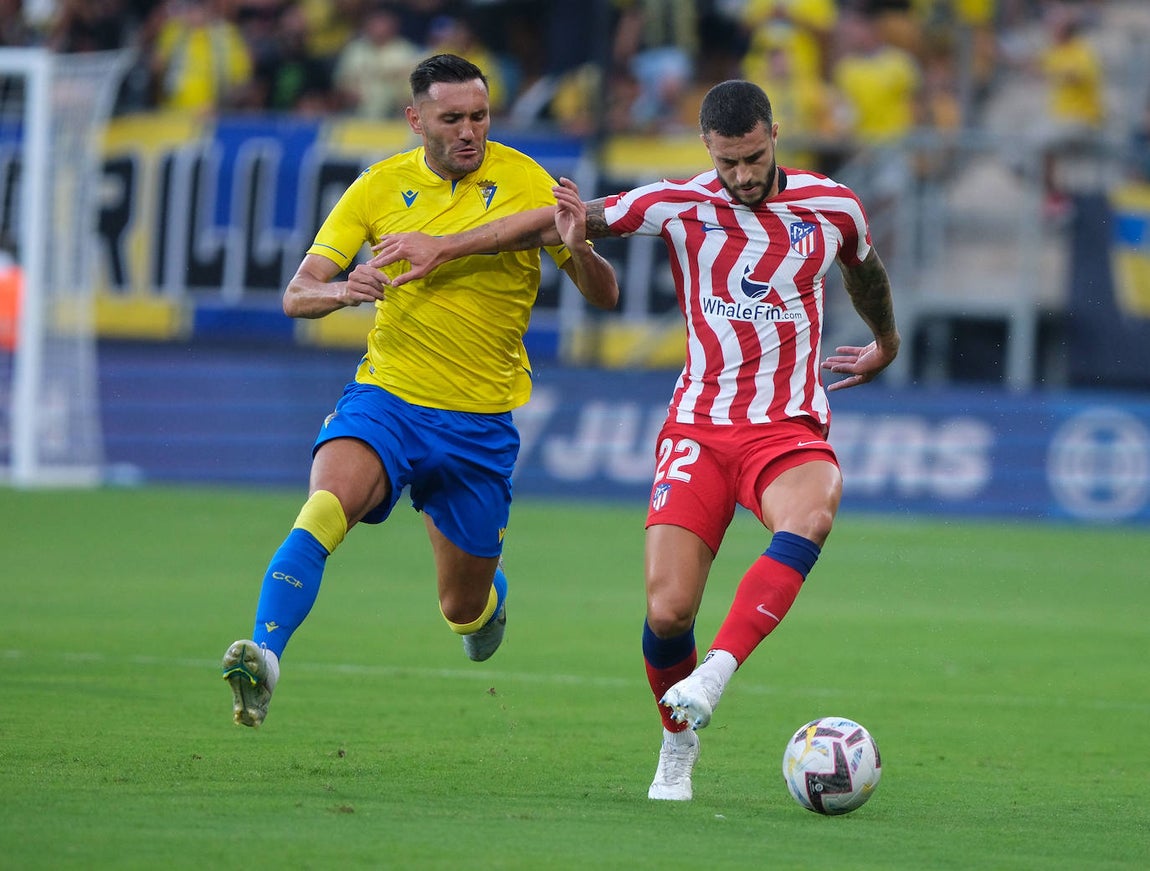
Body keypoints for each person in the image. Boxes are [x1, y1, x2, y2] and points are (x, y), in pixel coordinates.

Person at [369, 79, 901, 801]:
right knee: (666, 610)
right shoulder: (677, 205)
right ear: (708, 151)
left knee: (812, 509)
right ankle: (676, 746)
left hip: (786, 424)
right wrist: (446, 245)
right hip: (700, 428)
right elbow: (545, 223)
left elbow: (864, 270)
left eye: (752, 158)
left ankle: (716, 671)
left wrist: (885, 342)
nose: (742, 177)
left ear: (774, 134)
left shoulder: (831, 204)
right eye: (727, 163)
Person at [221, 53, 620, 728]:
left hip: (479, 423)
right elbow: (298, 292)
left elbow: (604, 294)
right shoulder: (378, 188)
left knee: (462, 608)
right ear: (415, 119)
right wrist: (343, 288)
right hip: (389, 399)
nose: (470, 131)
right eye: (452, 118)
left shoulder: (527, 182)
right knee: (325, 505)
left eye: (480, 115)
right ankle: (264, 655)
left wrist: (579, 248)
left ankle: (487, 600)